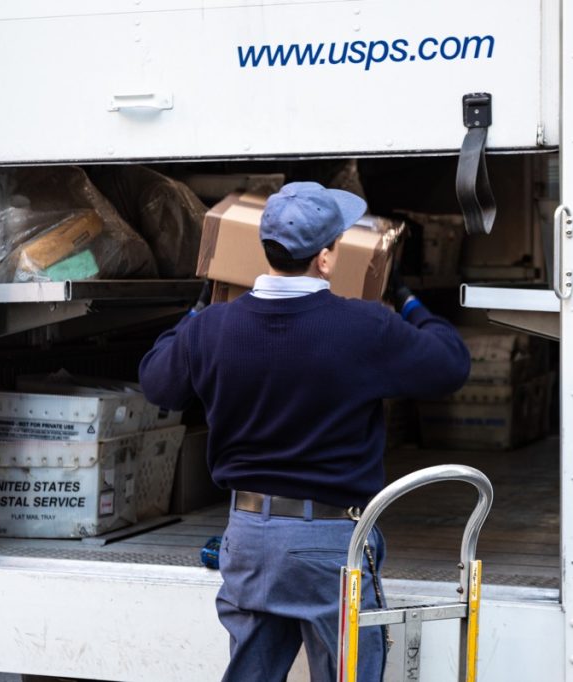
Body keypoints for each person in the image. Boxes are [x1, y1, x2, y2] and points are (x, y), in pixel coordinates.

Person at [139, 181, 470, 681]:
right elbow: (450, 364)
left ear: (266, 249)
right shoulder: (363, 327)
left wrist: (198, 309)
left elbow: (156, 381)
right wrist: (405, 299)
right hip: (328, 544)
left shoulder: (212, 329)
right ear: (326, 258)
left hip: (248, 538)